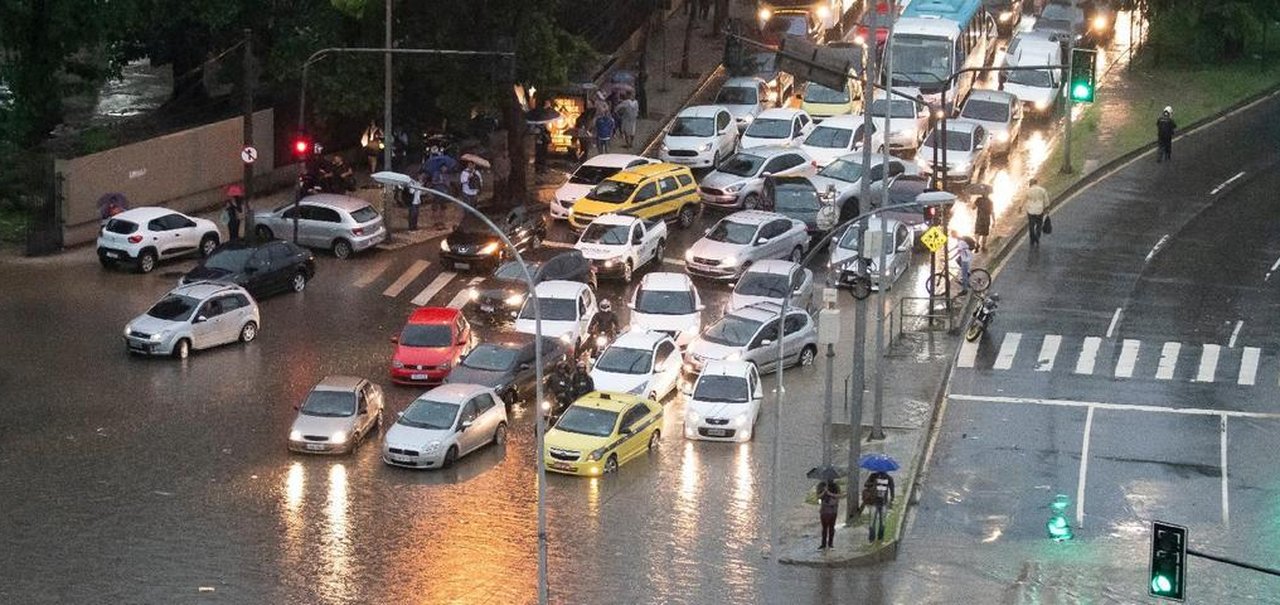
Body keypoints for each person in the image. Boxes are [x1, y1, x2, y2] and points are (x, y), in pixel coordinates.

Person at [1020, 177, 1048, 247]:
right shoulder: (1042, 190)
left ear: (1030, 184)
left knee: (1031, 225)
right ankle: (1037, 236)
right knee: (1039, 224)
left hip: (1030, 210)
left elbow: (1023, 200)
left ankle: (1032, 239)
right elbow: (1046, 200)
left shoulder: (1028, 191)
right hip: (1039, 210)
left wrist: (1020, 207)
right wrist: (1047, 208)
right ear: (1036, 183)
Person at [817, 480, 841, 549]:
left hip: (833, 510)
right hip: (824, 510)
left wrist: (829, 493)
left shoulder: (836, 486)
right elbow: (818, 497)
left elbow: (839, 496)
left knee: (831, 527)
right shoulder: (821, 485)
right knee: (824, 528)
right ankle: (823, 544)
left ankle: (830, 543)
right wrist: (824, 492)